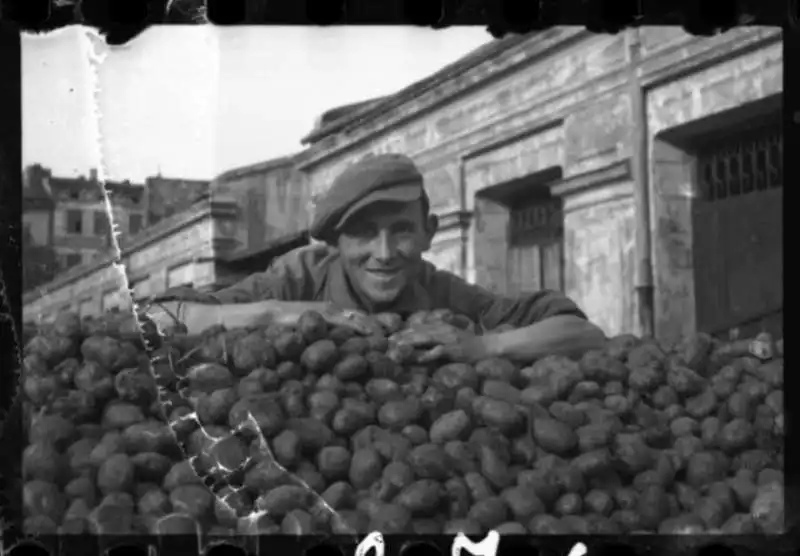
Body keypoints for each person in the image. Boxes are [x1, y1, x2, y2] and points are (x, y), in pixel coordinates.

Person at [143, 154, 606, 363]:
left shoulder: (443, 294)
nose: (384, 254)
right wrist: (282, 313)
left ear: (429, 234)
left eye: (402, 230)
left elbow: (582, 333)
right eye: (364, 234)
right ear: (335, 243)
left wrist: (485, 347)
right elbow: (152, 319)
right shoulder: (296, 278)